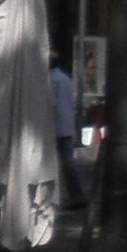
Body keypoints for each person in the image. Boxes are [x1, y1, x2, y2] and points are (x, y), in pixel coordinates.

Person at [48, 53, 81, 206]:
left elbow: (52, 105)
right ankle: (76, 194)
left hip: (56, 127)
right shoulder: (65, 79)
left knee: (61, 163)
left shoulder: (51, 80)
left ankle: (73, 195)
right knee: (68, 162)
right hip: (66, 126)